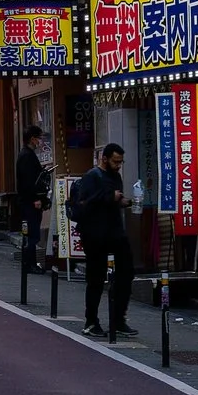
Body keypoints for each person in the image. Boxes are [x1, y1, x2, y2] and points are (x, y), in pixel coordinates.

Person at [67, 145, 134, 342]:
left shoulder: (116, 177)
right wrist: (108, 197)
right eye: (115, 161)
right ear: (104, 159)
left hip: (115, 233)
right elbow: (83, 203)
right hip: (94, 235)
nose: (119, 165)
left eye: (121, 162)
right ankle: (91, 322)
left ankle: (118, 318)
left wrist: (121, 201)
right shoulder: (92, 177)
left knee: (127, 273)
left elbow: (112, 198)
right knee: (95, 278)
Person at [12, 136, 52, 279]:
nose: (40, 141)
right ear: (32, 139)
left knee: (31, 233)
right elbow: (28, 180)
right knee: (32, 234)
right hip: (29, 202)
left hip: (27, 200)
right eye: (39, 138)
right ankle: (30, 264)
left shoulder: (26, 155)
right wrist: (35, 198)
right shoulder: (27, 156)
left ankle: (29, 263)